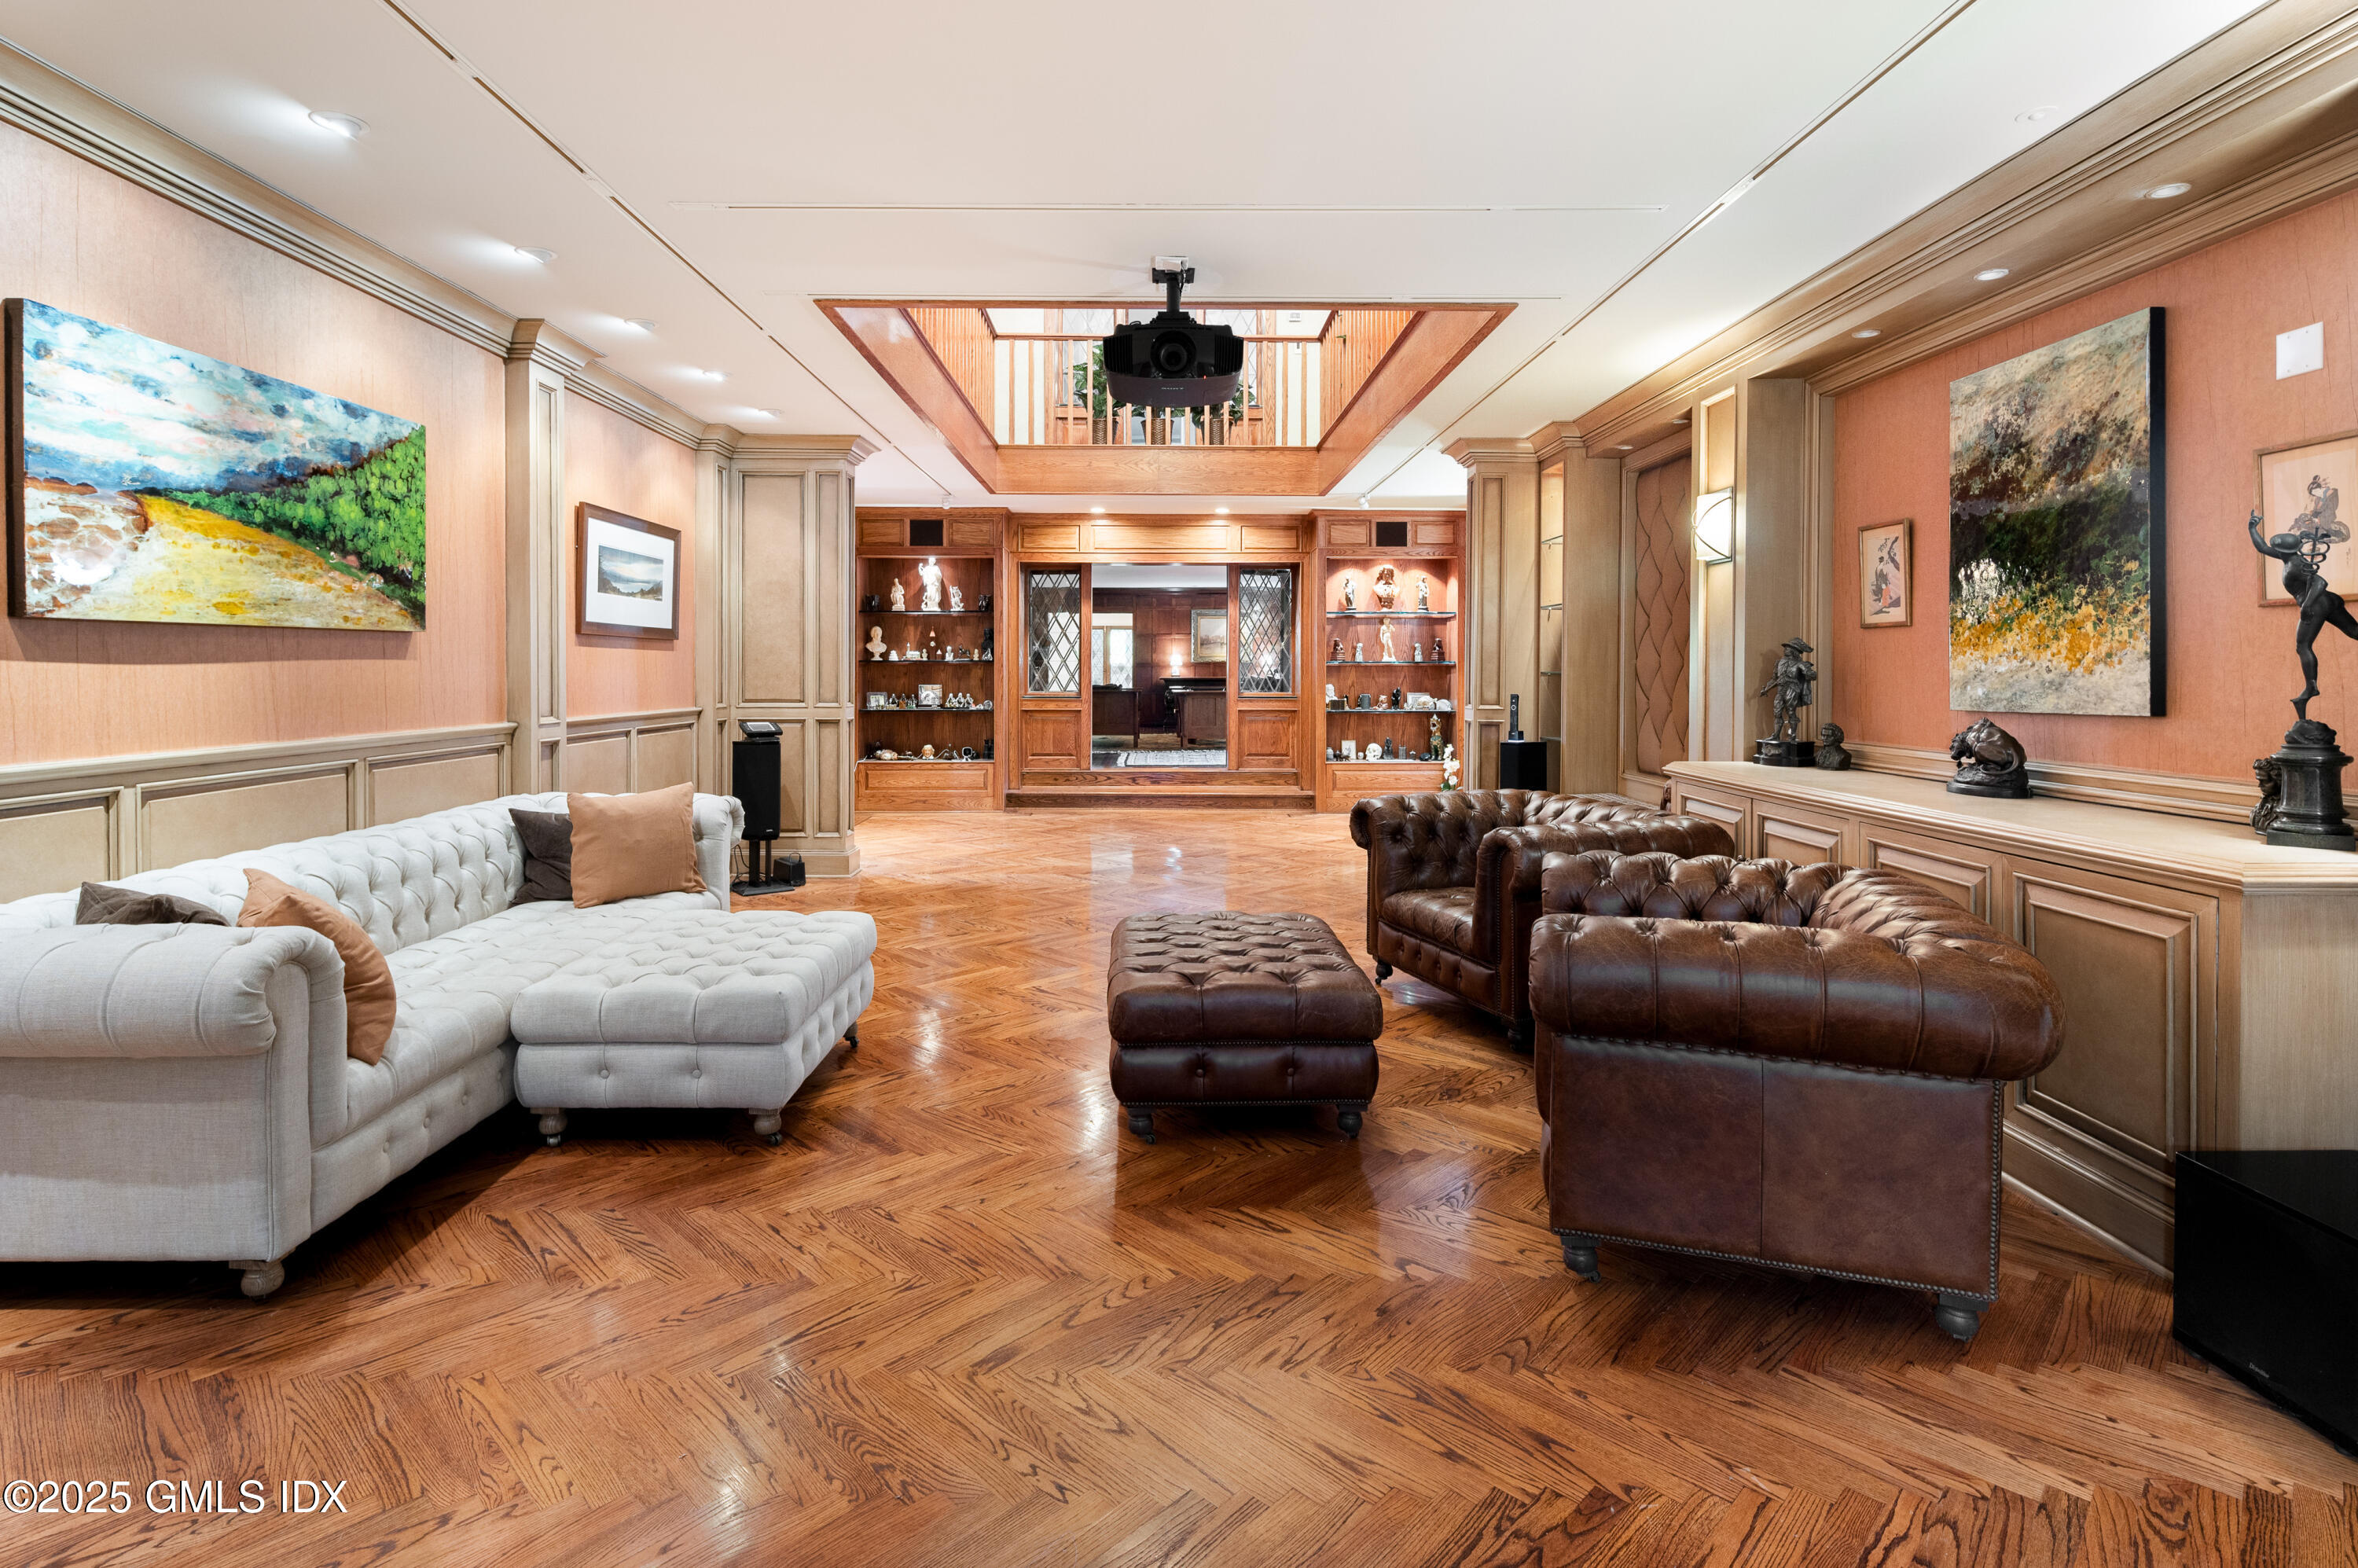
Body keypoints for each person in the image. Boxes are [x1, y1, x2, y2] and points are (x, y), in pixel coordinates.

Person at [2250, 508, 2358, 718]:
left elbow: (2320, 581)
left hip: (2316, 604)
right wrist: (2252, 528)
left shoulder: (2294, 565)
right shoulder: (2291, 557)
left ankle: (2311, 686)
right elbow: (2262, 547)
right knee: (2354, 630)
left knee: (2302, 646)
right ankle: (2310, 687)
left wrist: (2307, 605)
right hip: (2329, 600)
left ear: (2282, 550)